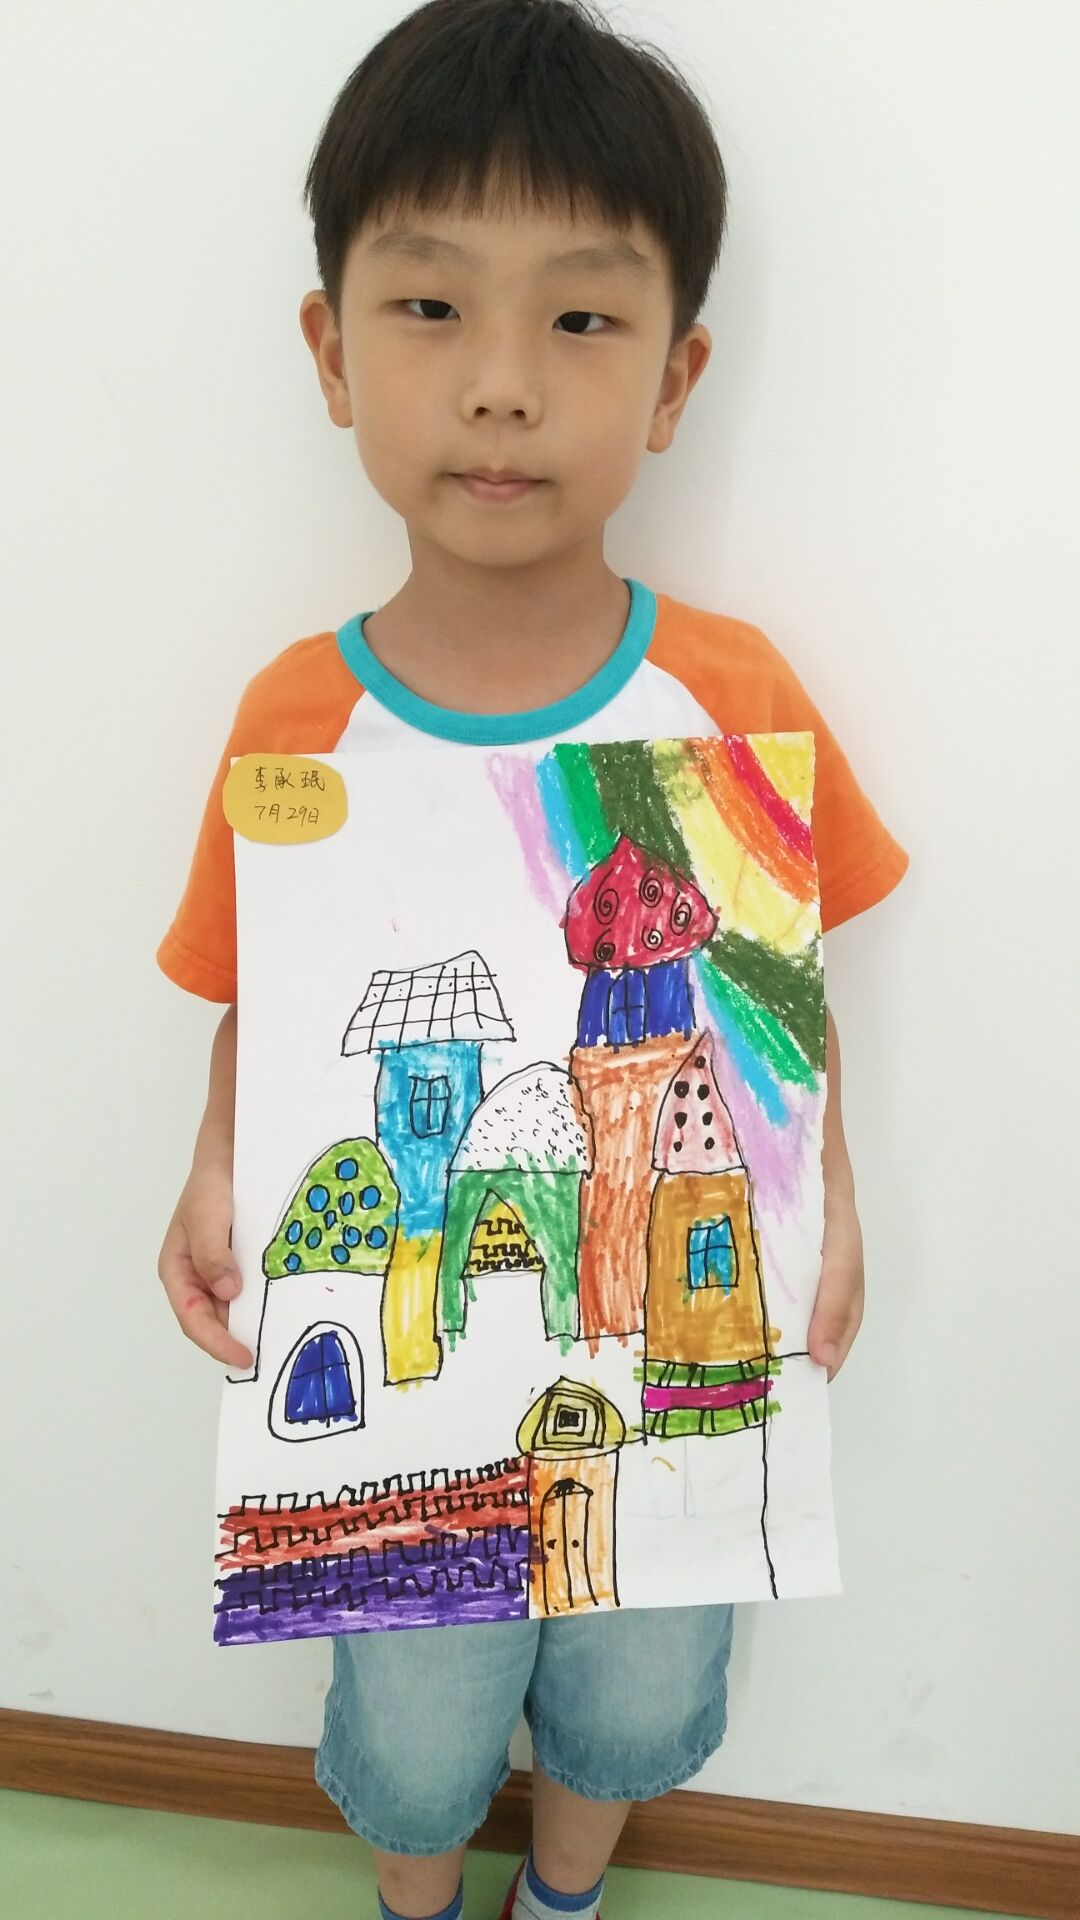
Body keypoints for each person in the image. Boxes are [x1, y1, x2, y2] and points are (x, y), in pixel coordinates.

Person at [156, 4, 908, 1917]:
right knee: (415, 1713)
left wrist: (828, 1202)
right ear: (333, 351)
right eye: (431, 308)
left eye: (580, 317)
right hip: (417, 1381)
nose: (502, 387)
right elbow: (269, 1001)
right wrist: (218, 1164)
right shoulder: (297, 724)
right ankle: (422, 1902)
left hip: (677, 1317)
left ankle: (563, 1895)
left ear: (674, 376)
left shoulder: (731, 703)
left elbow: (788, 1003)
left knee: (639, 1672)